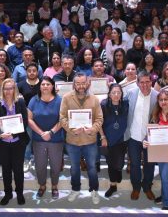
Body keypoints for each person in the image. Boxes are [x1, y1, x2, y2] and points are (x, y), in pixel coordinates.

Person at [59, 73, 103, 204]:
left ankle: (94, 190)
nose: (81, 86)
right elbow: (62, 117)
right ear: (74, 84)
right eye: (78, 83)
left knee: (92, 167)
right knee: (74, 168)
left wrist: (93, 129)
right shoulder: (66, 98)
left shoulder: (94, 99)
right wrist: (71, 129)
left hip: (90, 140)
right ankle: (75, 189)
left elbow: (99, 118)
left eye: (83, 83)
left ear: (88, 83)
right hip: (72, 140)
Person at [0, 79, 29, 205]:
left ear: (15, 89)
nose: (8, 91)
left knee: (18, 170)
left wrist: (13, 133)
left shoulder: (21, 102)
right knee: (6, 170)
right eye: (6, 88)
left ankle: (19, 193)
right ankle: (8, 193)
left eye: (11, 88)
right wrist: (0, 134)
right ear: (2, 90)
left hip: (18, 141)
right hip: (3, 143)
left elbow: (25, 120)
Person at [28, 76, 64, 199]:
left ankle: (54, 186)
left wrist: (51, 133)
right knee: (40, 165)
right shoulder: (34, 100)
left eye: (47, 84)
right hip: (39, 140)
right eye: (43, 84)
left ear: (52, 86)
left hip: (56, 139)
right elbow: (29, 119)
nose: (45, 87)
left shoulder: (60, 100)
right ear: (40, 86)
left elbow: (63, 120)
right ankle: (42, 186)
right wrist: (41, 133)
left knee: (55, 165)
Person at [125, 70, 158, 201]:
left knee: (149, 165)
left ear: (151, 82)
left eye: (147, 82)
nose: (144, 85)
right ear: (137, 83)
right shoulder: (130, 94)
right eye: (141, 82)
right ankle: (136, 187)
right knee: (134, 164)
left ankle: (147, 187)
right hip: (133, 136)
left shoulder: (157, 96)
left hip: (150, 138)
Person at [101, 84, 129, 198]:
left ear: (122, 94)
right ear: (109, 94)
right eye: (113, 92)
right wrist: (103, 137)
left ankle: (119, 170)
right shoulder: (104, 105)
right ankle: (113, 186)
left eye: (118, 92)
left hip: (122, 139)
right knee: (111, 163)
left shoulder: (126, 104)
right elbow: (99, 123)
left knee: (120, 162)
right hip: (108, 140)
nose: (116, 95)